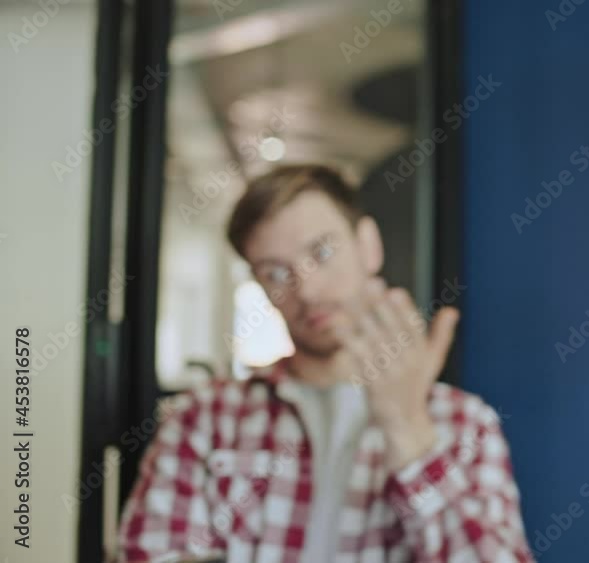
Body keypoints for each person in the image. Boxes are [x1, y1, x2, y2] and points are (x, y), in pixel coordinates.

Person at [117, 164, 533, 562]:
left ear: (368, 246)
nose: (308, 290)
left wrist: (409, 430)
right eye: (275, 273)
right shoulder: (204, 418)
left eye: (323, 251)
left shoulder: (466, 424)